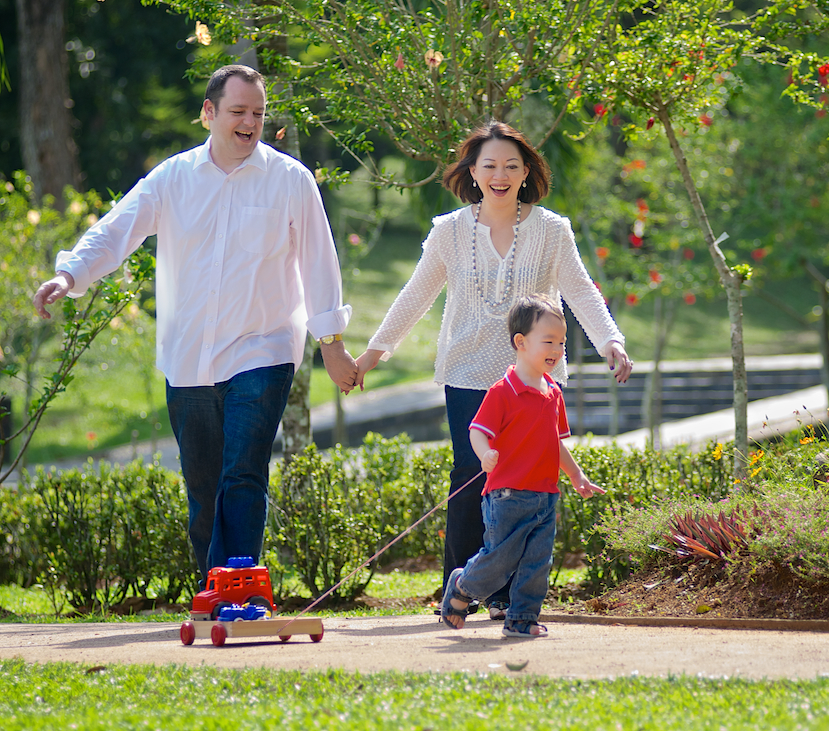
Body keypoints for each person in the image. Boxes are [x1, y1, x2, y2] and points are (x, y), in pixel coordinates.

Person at [31, 64, 359, 583]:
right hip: (189, 360)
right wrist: (69, 275)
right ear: (209, 114)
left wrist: (332, 343)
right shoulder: (173, 178)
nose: (250, 122)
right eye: (238, 112)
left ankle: (242, 585)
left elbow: (319, 262)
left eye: (258, 112)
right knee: (204, 487)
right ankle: (214, 587)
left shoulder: (291, 181)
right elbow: (117, 230)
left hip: (264, 350)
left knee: (243, 473)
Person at [355, 121, 632, 620]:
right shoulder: (450, 232)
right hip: (466, 370)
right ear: (472, 172)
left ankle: (503, 595)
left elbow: (581, 290)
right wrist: (373, 354)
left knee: (524, 480)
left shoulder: (552, 230)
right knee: (472, 472)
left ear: (526, 171)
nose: (500, 175)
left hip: (530, 378)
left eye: (511, 165)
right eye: (489, 166)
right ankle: (457, 589)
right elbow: (416, 295)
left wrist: (611, 339)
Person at [440, 294, 604, 637]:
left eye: (562, 342)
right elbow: (477, 431)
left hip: (545, 495)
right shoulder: (502, 391)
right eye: (549, 341)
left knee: (536, 563)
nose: (557, 349)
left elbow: (555, 442)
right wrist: (484, 454)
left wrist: (576, 475)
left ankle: (522, 620)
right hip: (506, 495)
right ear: (520, 342)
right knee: (500, 560)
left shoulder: (553, 393)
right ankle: (463, 584)